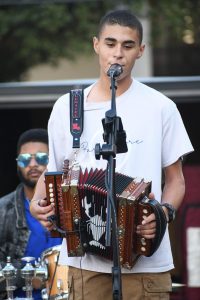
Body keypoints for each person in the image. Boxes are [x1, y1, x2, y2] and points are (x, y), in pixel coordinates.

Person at [30, 10, 194, 300]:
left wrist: (163, 213)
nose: (118, 54)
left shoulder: (161, 107)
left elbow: (176, 180)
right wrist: (36, 204)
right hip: (84, 262)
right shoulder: (67, 107)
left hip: (146, 264)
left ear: (140, 51)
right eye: (110, 43)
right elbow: (53, 170)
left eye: (128, 46)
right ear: (96, 45)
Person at [0, 128, 62, 300]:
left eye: (42, 158)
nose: (33, 164)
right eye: (25, 159)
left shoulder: (73, 205)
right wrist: (28, 278)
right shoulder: (3, 210)